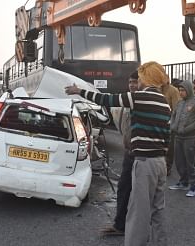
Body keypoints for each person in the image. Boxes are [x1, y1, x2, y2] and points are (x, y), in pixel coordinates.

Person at [66, 61, 171, 246]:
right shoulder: (164, 103)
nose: (137, 82)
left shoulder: (138, 98)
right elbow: (167, 137)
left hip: (144, 162)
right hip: (160, 162)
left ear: (146, 79)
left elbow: (107, 99)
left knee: (138, 210)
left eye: (140, 78)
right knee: (158, 209)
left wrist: (79, 91)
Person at [102, 71, 138, 236]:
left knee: (142, 193)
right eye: (130, 82)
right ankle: (120, 225)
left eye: (136, 82)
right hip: (129, 153)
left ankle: (142, 228)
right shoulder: (126, 103)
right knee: (124, 188)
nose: (132, 85)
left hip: (143, 156)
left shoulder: (144, 102)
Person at [168, 80, 195, 197]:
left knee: (191, 162)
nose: (180, 92)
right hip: (178, 136)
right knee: (179, 161)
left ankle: (194, 186)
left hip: (190, 137)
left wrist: (188, 128)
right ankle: (183, 182)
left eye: (183, 90)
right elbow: (173, 115)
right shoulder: (180, 103)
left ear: (188, 90)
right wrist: (173, 126)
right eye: (179, 90)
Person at [161, 79, 180, 176]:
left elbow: (176, 109)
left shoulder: (173, 91)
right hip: (158, 122)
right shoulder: (158, 89)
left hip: (169, 123)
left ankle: (167, 167)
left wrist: (172, 123)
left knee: (169, 146)